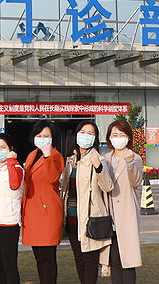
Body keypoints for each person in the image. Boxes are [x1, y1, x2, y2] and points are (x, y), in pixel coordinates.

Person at [59, 121, 113, 284]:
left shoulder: (99, 159)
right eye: (83, 132)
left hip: (90, 219)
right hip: (72, 219)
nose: (85, 136)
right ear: (76, 135)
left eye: (90, 133)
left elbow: (108, 186)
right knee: (79, 259)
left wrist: (98, 167)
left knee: (90, 261)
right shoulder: (71, 159)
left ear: (95, 138)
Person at [20, 121, 64, 284]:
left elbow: (53, 178)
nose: (42, 138)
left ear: (53, 138)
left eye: (46, 136)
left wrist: (47, 157)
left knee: (47, 259)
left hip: (47, 214)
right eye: (39, 135)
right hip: (32, 212)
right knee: (39, 258)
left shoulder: (56, 156)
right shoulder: (32, 154)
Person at [103, 119, 143, 284]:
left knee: (127, 261)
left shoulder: (135, 158)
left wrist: (129, 163)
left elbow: (135, 181)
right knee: (114, 261)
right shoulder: (105, 158)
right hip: (108, 216)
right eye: (114, 135)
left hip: (126, 216)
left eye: (121, 134)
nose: (118, 138)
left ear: (128, 137)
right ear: (109, 137)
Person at [0, 133, 24, 284]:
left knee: (9, 266)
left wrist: (11, 160)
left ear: (10, 149)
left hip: (9, 223)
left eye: (3, 147)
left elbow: (14, 185)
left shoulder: (16, 167)